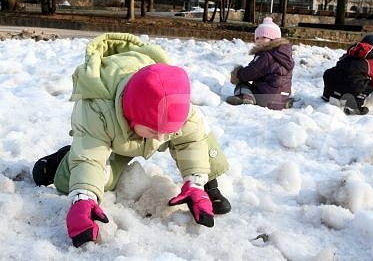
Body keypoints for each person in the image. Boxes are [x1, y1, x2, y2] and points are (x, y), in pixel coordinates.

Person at [31, 33, 231, 248]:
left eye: (167, 132)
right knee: (90, 177)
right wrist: (83, 199)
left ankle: (210, 186)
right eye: (156, 131)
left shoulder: (177, 102)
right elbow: (89, 158)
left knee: (201, 134)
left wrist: (196, 182)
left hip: (146, 124)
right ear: (133, 114)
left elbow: (191, 141)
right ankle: (62, 160)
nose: (163, 138)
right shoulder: (97, 109)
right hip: (111, 140)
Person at [226, 17, 295, 110]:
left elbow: (250, 73)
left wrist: (237, 74)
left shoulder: (266, 56)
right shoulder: (284, 55)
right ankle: (284, 102)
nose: (259, 40)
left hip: (265, 98)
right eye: (257, 38)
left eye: (264, 37)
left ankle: (246, 98)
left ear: (273, 39)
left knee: (242, 84)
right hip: (281, 97)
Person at [322, 34, 373, 115]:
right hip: (353, 89)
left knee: (331, 73)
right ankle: (355, 104)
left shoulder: (347, 55)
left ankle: (329, 96)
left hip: (334, 88)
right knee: (372, 82)